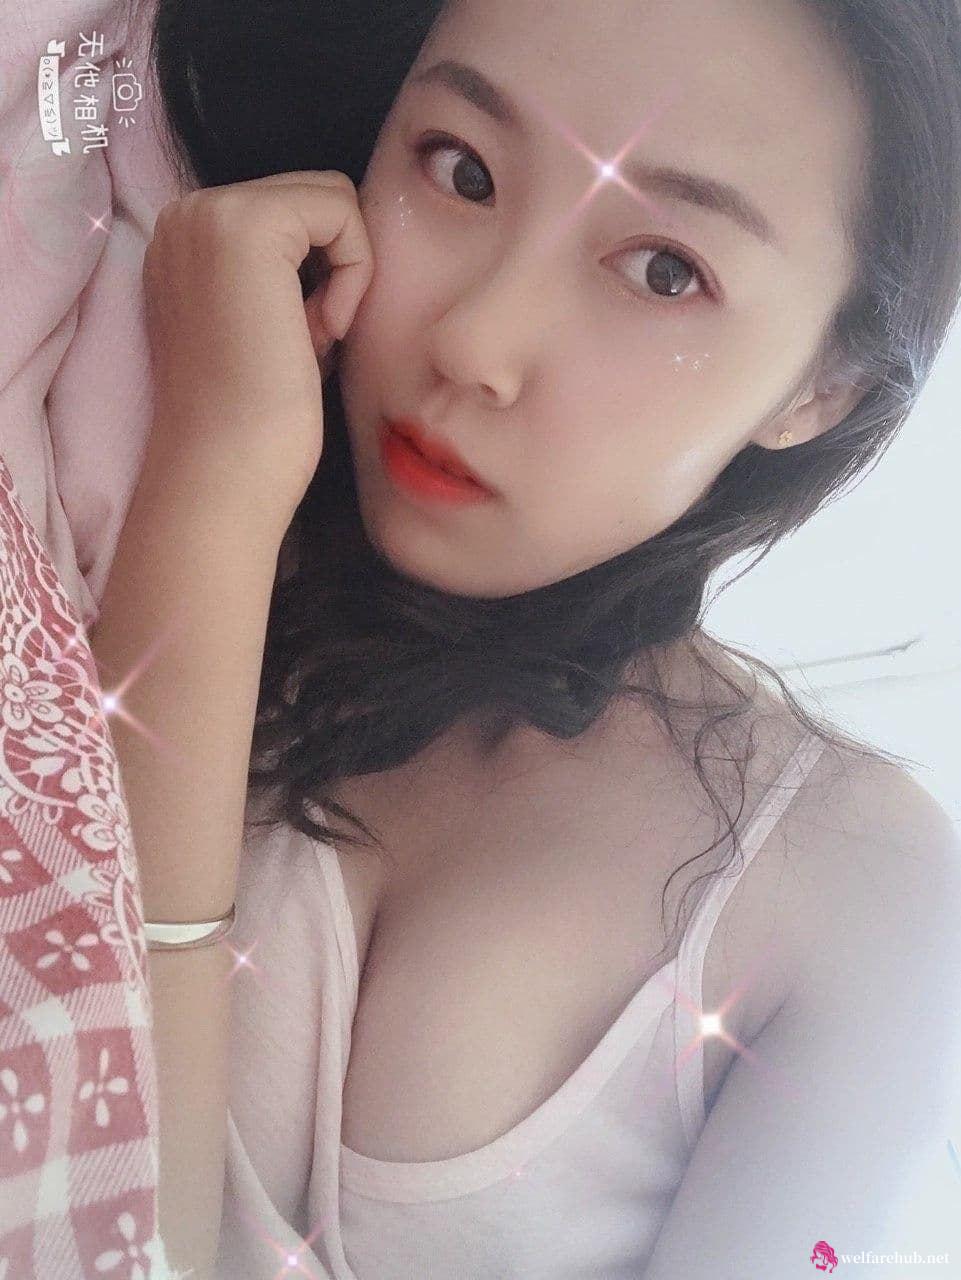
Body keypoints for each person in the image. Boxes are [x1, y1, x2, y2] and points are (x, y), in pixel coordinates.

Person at [92, 0, 961, 1276]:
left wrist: (212, 495)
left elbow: (100, 1230)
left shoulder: (855, 891)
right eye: (461, 170)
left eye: (665, 271)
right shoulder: (94, 502)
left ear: (821, 386)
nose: (474, 343)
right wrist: (207, 492)